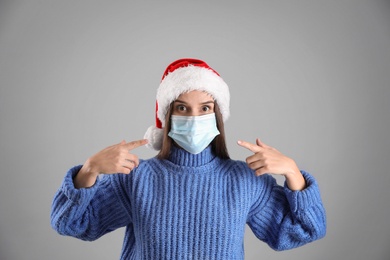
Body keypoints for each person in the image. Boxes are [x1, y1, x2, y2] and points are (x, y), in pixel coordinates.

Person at [51, 58, 326, 259]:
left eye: (205, 108)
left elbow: (303, 231)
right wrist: (89, 170)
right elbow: (71, 223)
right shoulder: (136, 178)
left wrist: (293, 173)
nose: (194, 118)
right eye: (182, 108)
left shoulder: (244, 181)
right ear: (167, 117)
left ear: (218, 116)